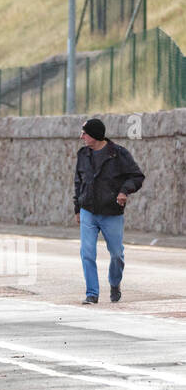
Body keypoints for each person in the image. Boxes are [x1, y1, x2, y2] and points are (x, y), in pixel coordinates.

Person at [73, 117, 144, 304]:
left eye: (85, 133)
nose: (81, 137)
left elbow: (137, 176)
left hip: (111, 212)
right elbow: (78, 182)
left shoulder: (118, 154)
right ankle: (92, 294)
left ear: (95, 136)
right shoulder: (82, 155)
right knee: (86, 252)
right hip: (88, 210)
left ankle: (114, 283)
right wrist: (77, 208)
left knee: (116, 254)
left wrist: (124, 191)